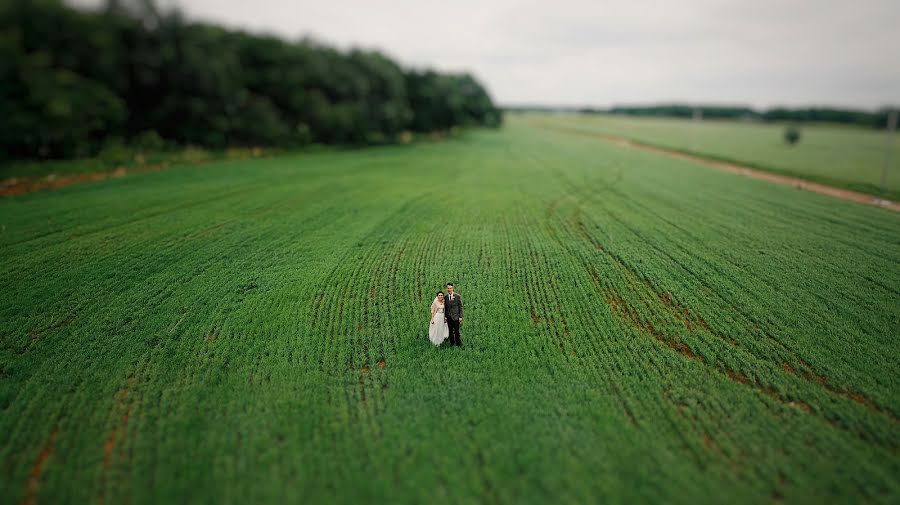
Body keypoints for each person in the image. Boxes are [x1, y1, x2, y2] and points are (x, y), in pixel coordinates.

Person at [444, 282, 463, 346]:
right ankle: (452, 343)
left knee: (457, 331)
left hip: (456, 316)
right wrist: (445, 316)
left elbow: (460, 307)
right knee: (450, 331)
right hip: (449, 317)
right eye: (448, 288)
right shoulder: (446, 297)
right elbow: (445, 307)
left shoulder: (457, 296)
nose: (449, 289)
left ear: (453, 288)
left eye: (450, 288)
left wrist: (460, 316)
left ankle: (458, 343)